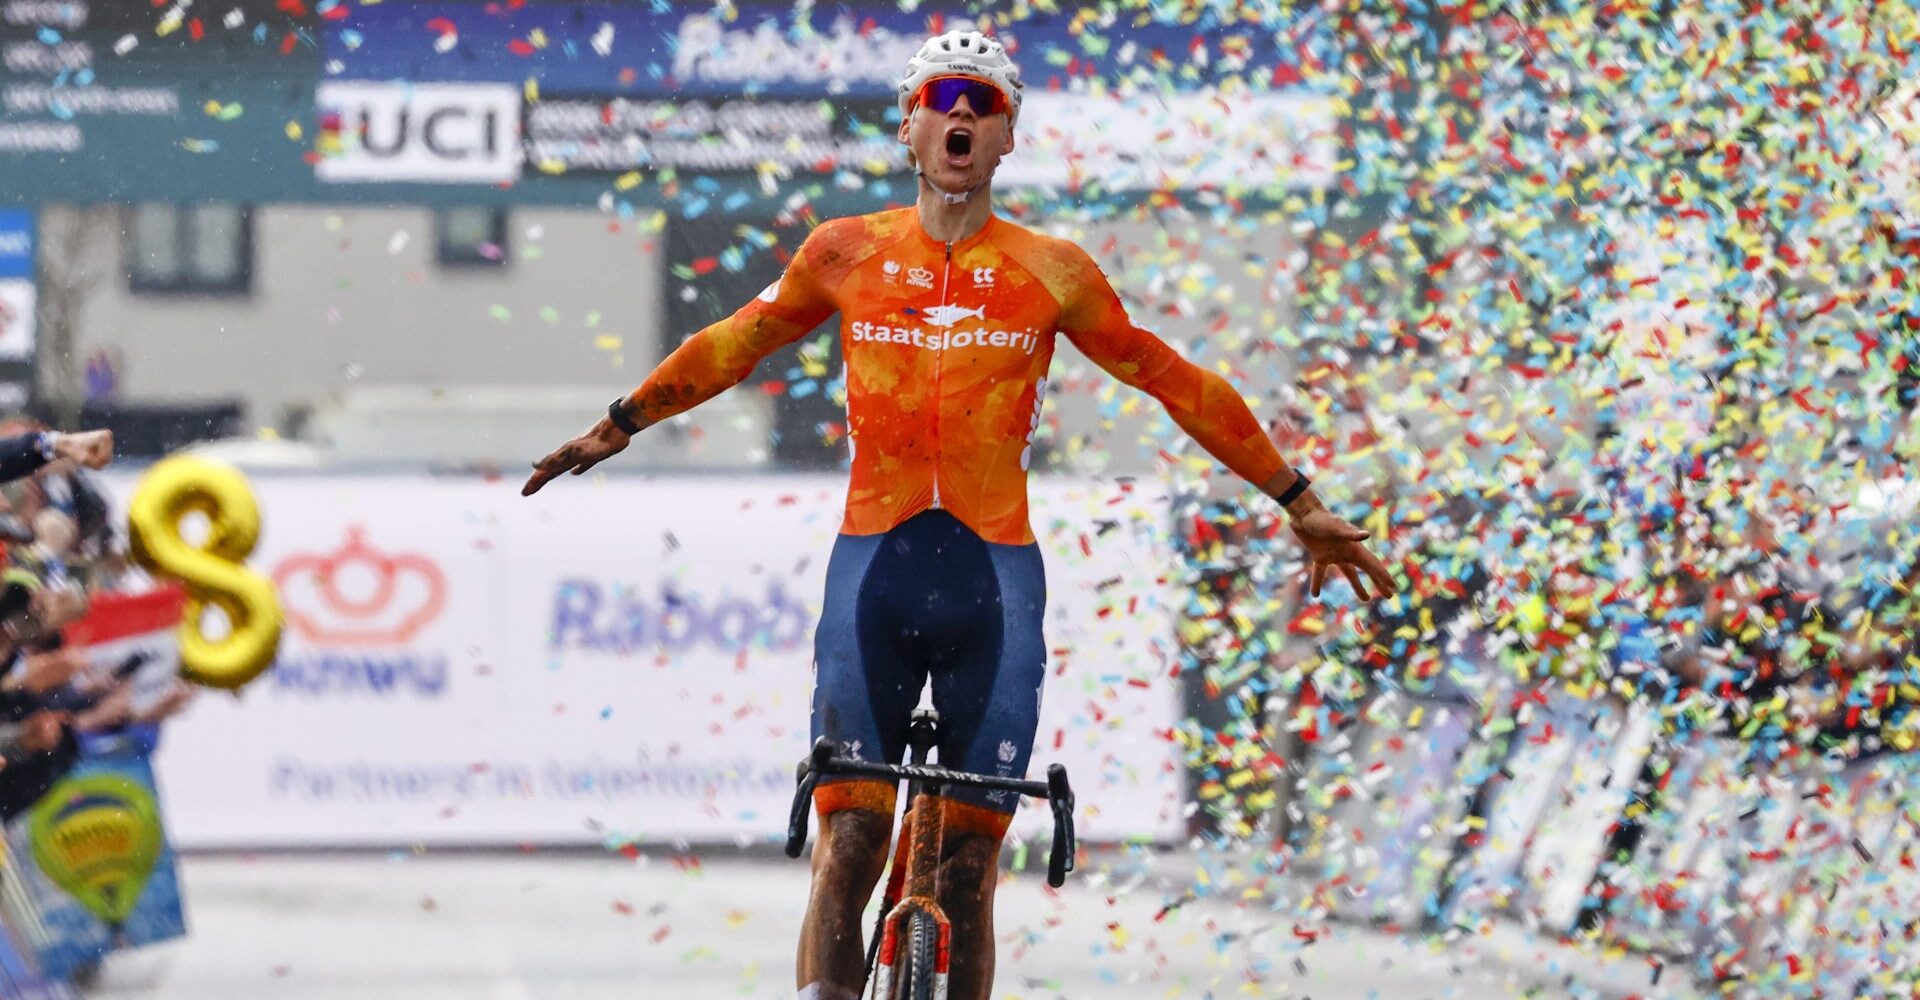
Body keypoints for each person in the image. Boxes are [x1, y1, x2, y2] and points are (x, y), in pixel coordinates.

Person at [522, 31, 1398, 1000]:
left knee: (970, 875)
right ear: (909, 123)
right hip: (873, 577)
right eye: (944, 96)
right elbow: (735, 341)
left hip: (994, 589)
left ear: (1007, 137)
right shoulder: (844, 251)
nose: (963, 116)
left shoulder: (1050, 269)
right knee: (849, 844)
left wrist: (1296, 498)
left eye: (986, 104)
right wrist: (622, 421)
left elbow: (1171, 381)